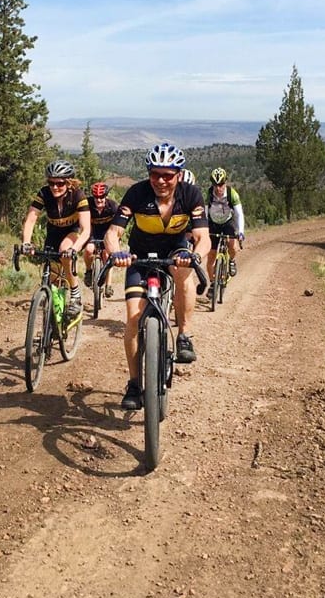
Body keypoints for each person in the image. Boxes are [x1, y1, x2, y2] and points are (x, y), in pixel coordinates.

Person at [104, 142, 209, 410]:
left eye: (168, 175)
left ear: (179, 174)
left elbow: (202, 237)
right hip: (140, 256)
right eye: (155, 174)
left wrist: (195, 255)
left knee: (184, 271)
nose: (161, 181)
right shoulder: (137, 193)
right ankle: (134, 384)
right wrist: (116, 253)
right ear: (148, 173)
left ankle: (184, 335)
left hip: (176, 252)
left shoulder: (191, 194)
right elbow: (113, 233)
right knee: (132, 318)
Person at [20, 160, 91, 318]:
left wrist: (74, 249)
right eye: (51, 183)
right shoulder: (44, 193)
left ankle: (75, 294)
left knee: (65, 250)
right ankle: (52, 326)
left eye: (59, 183)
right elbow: (31, 220)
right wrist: (26, 242)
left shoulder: (78, 195)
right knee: (53, 280)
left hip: (72, 233)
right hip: (52, 234)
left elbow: (86, 229)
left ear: (69, 183)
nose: (54, 187)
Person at [205, 167, 245, 296]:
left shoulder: (232, 193)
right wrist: (204, 229)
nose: (218, 188)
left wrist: (241, 231)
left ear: (225, 183)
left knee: (232, 246)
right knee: (210, 256)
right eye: (216, 185)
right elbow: (206, 211)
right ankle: (212, 283)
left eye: (221, 184)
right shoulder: (210, 193)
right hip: (213, 223)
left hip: (227, 222)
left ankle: (232, 261)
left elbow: (239, 214)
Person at [83, 181, 119, 298]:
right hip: (92, 233)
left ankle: (108, 285)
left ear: (106, 196)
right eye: (96, 198)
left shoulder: (112, 206)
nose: (99, 200)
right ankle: (88, 271)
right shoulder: (87, 204)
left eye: (102, 197)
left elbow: (119, 224)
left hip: (107, 234)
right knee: (89, 250)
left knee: (108, 256)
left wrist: (115, 238)